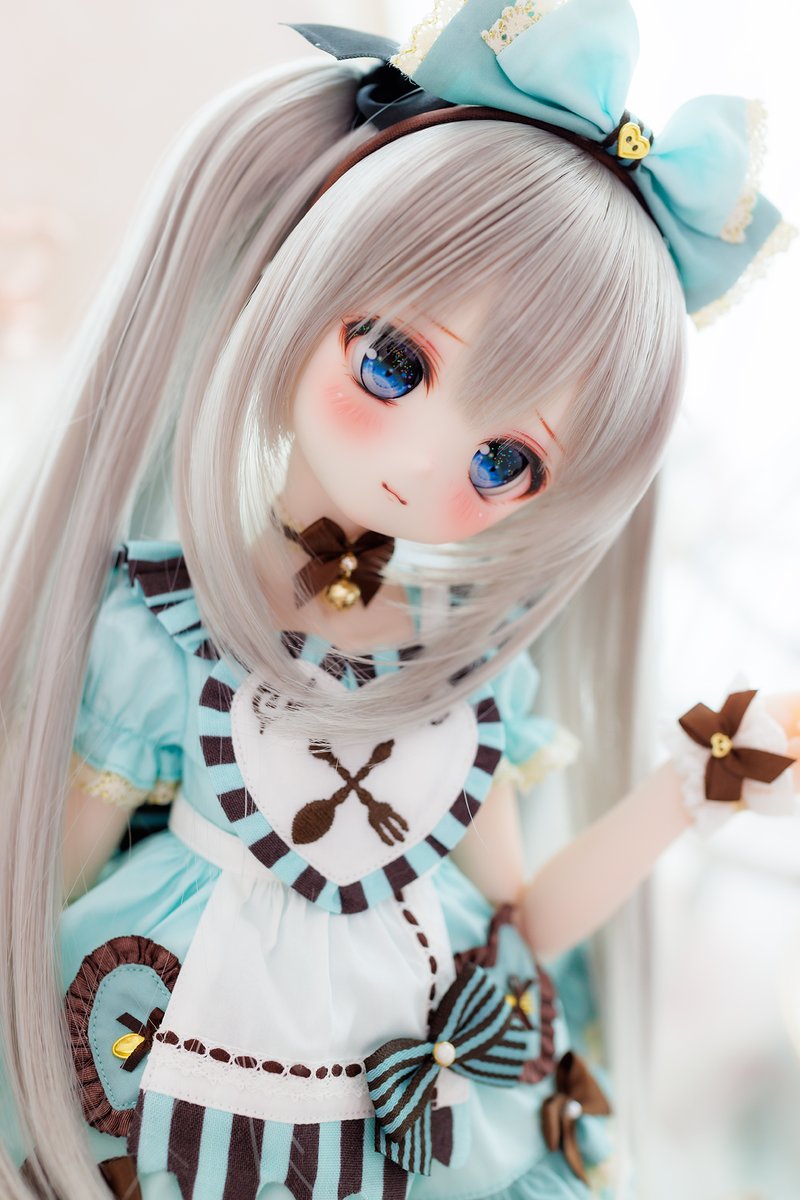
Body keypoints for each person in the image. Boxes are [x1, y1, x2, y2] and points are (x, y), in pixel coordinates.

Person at [0, 1, 795, 1197]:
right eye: (392, 364)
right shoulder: (156, 635)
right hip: (171, 1071)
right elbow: (37, 895)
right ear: (293, 282)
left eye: (504, 461)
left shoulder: (467, 674)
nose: (425, 461)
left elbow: (520, 924)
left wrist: (690, 787)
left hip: (429, 1105)